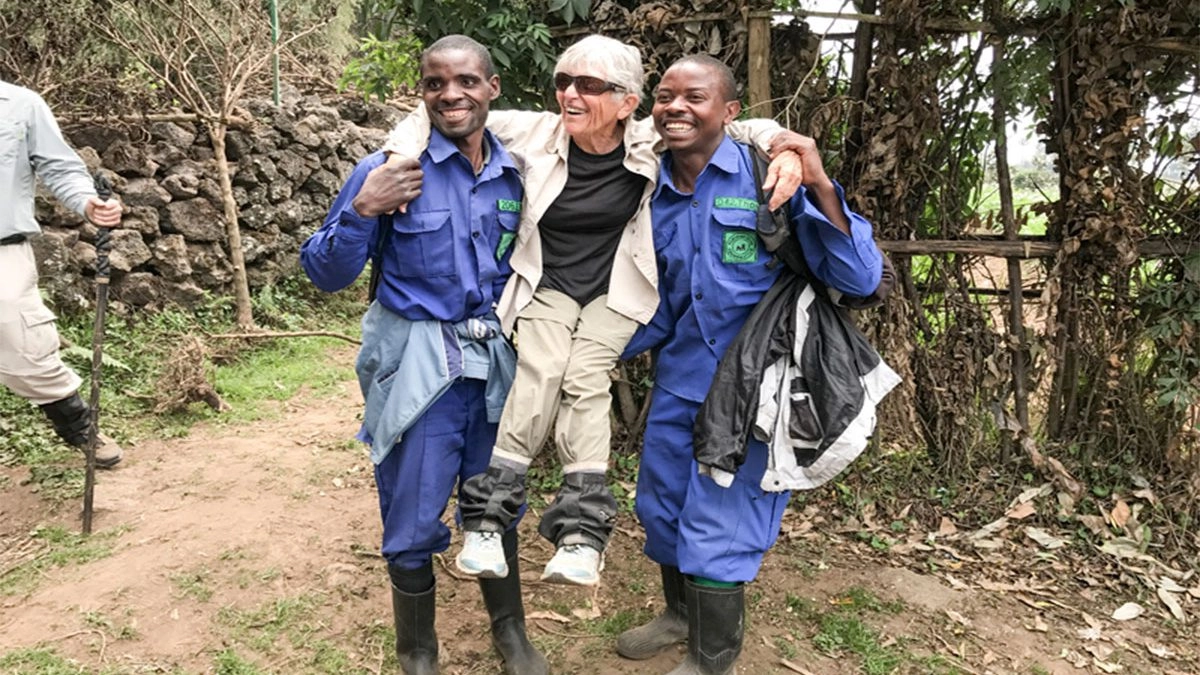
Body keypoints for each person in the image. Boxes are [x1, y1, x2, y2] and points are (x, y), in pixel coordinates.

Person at [383, 34, 806, 588]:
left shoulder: (650, 138)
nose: (570, 95)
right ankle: (488, 521)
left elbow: (735, 126)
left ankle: (582, 534)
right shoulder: (533, 132)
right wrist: (397, 157)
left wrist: (789, 148)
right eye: (563, 82)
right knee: (540, 370)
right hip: (546, 285)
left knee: (584, 377)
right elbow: (435, 111)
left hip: (618, 289)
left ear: (628, 102)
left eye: (589, 86)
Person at [615, 55, 885, 675]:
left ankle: (713, 661)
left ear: (730, 113)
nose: (676, 107)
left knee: (718, 527)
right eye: (665, 95)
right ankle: (679, 616)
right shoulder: (646, 183)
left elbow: (860, 276)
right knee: (660, 509)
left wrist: (818, 183)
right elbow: (651, 297)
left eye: (696, 97)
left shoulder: (770, 178)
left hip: (757, 389)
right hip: (680, 380)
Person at [300, 36, 547, 675]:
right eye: (436, 83)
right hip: (419, 367)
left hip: (495, 366)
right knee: (411, 511)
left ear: (492, 88)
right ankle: (417, 650)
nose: (451, 94)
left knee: (495, 501)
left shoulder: (518, 171)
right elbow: (323, 273)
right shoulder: (387, 167)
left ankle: (510, 631)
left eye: (466, 81)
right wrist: (363, 208)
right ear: (423, 93)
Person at [0, 78, 125, 468]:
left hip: (4, 251)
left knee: (26, 347)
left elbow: (59, 167)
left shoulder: (20, 104)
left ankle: (78, 425)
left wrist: (88, 202)